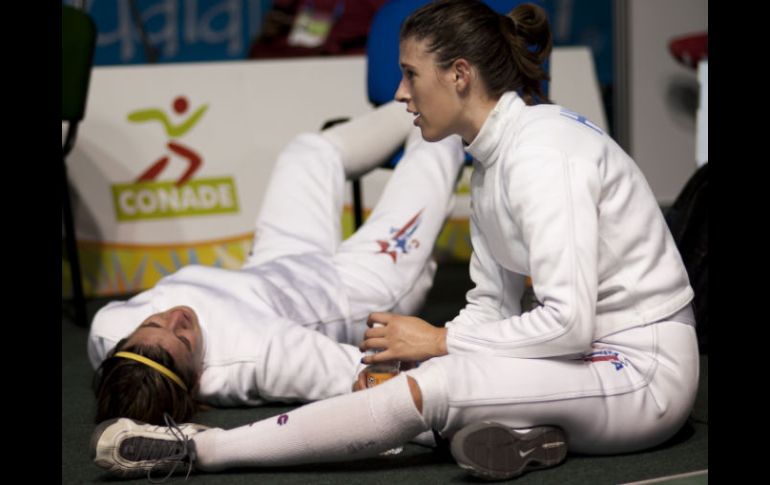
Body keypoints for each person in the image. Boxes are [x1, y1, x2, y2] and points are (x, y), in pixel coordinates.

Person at [91, 1, 699, 481]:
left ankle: (201, 450)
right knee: (434, 375)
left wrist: (437, 343)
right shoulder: (491, 161)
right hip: (578, 358)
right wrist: (436, 347)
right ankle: (528, 434)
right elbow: (492, 305)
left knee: (435, 387)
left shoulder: (541, 154)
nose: (401, 94)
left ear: (459, 75)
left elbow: (568, 323)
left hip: (642, 372)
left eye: (410, 75)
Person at [88, 100, 466, 426]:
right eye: (183, 339)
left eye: (153, 323)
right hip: (355, 292)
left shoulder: (109, 330)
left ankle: (415, 100)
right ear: (197, 381)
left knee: (307, 152)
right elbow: (368, 376)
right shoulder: (258, 358)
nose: (176, 317)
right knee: (438, 145)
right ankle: (454, 104)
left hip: (276, 260)